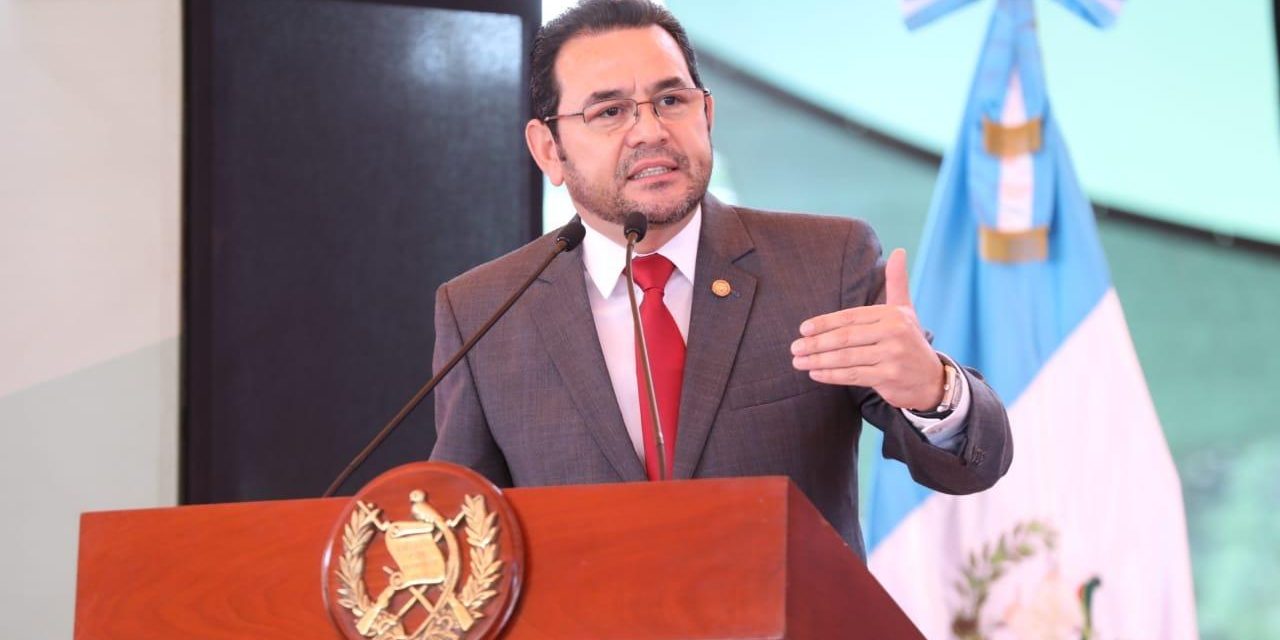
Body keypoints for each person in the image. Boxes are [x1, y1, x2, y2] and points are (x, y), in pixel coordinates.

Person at [429, 0, 1012, 555]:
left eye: (671, 100)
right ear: (548, 150)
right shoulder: (485, 311)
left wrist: (934, 391)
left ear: (706, 114)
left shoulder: (825, 262)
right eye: (609, 112)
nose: (650, 131)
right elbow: (458, 532)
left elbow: (970, 467)